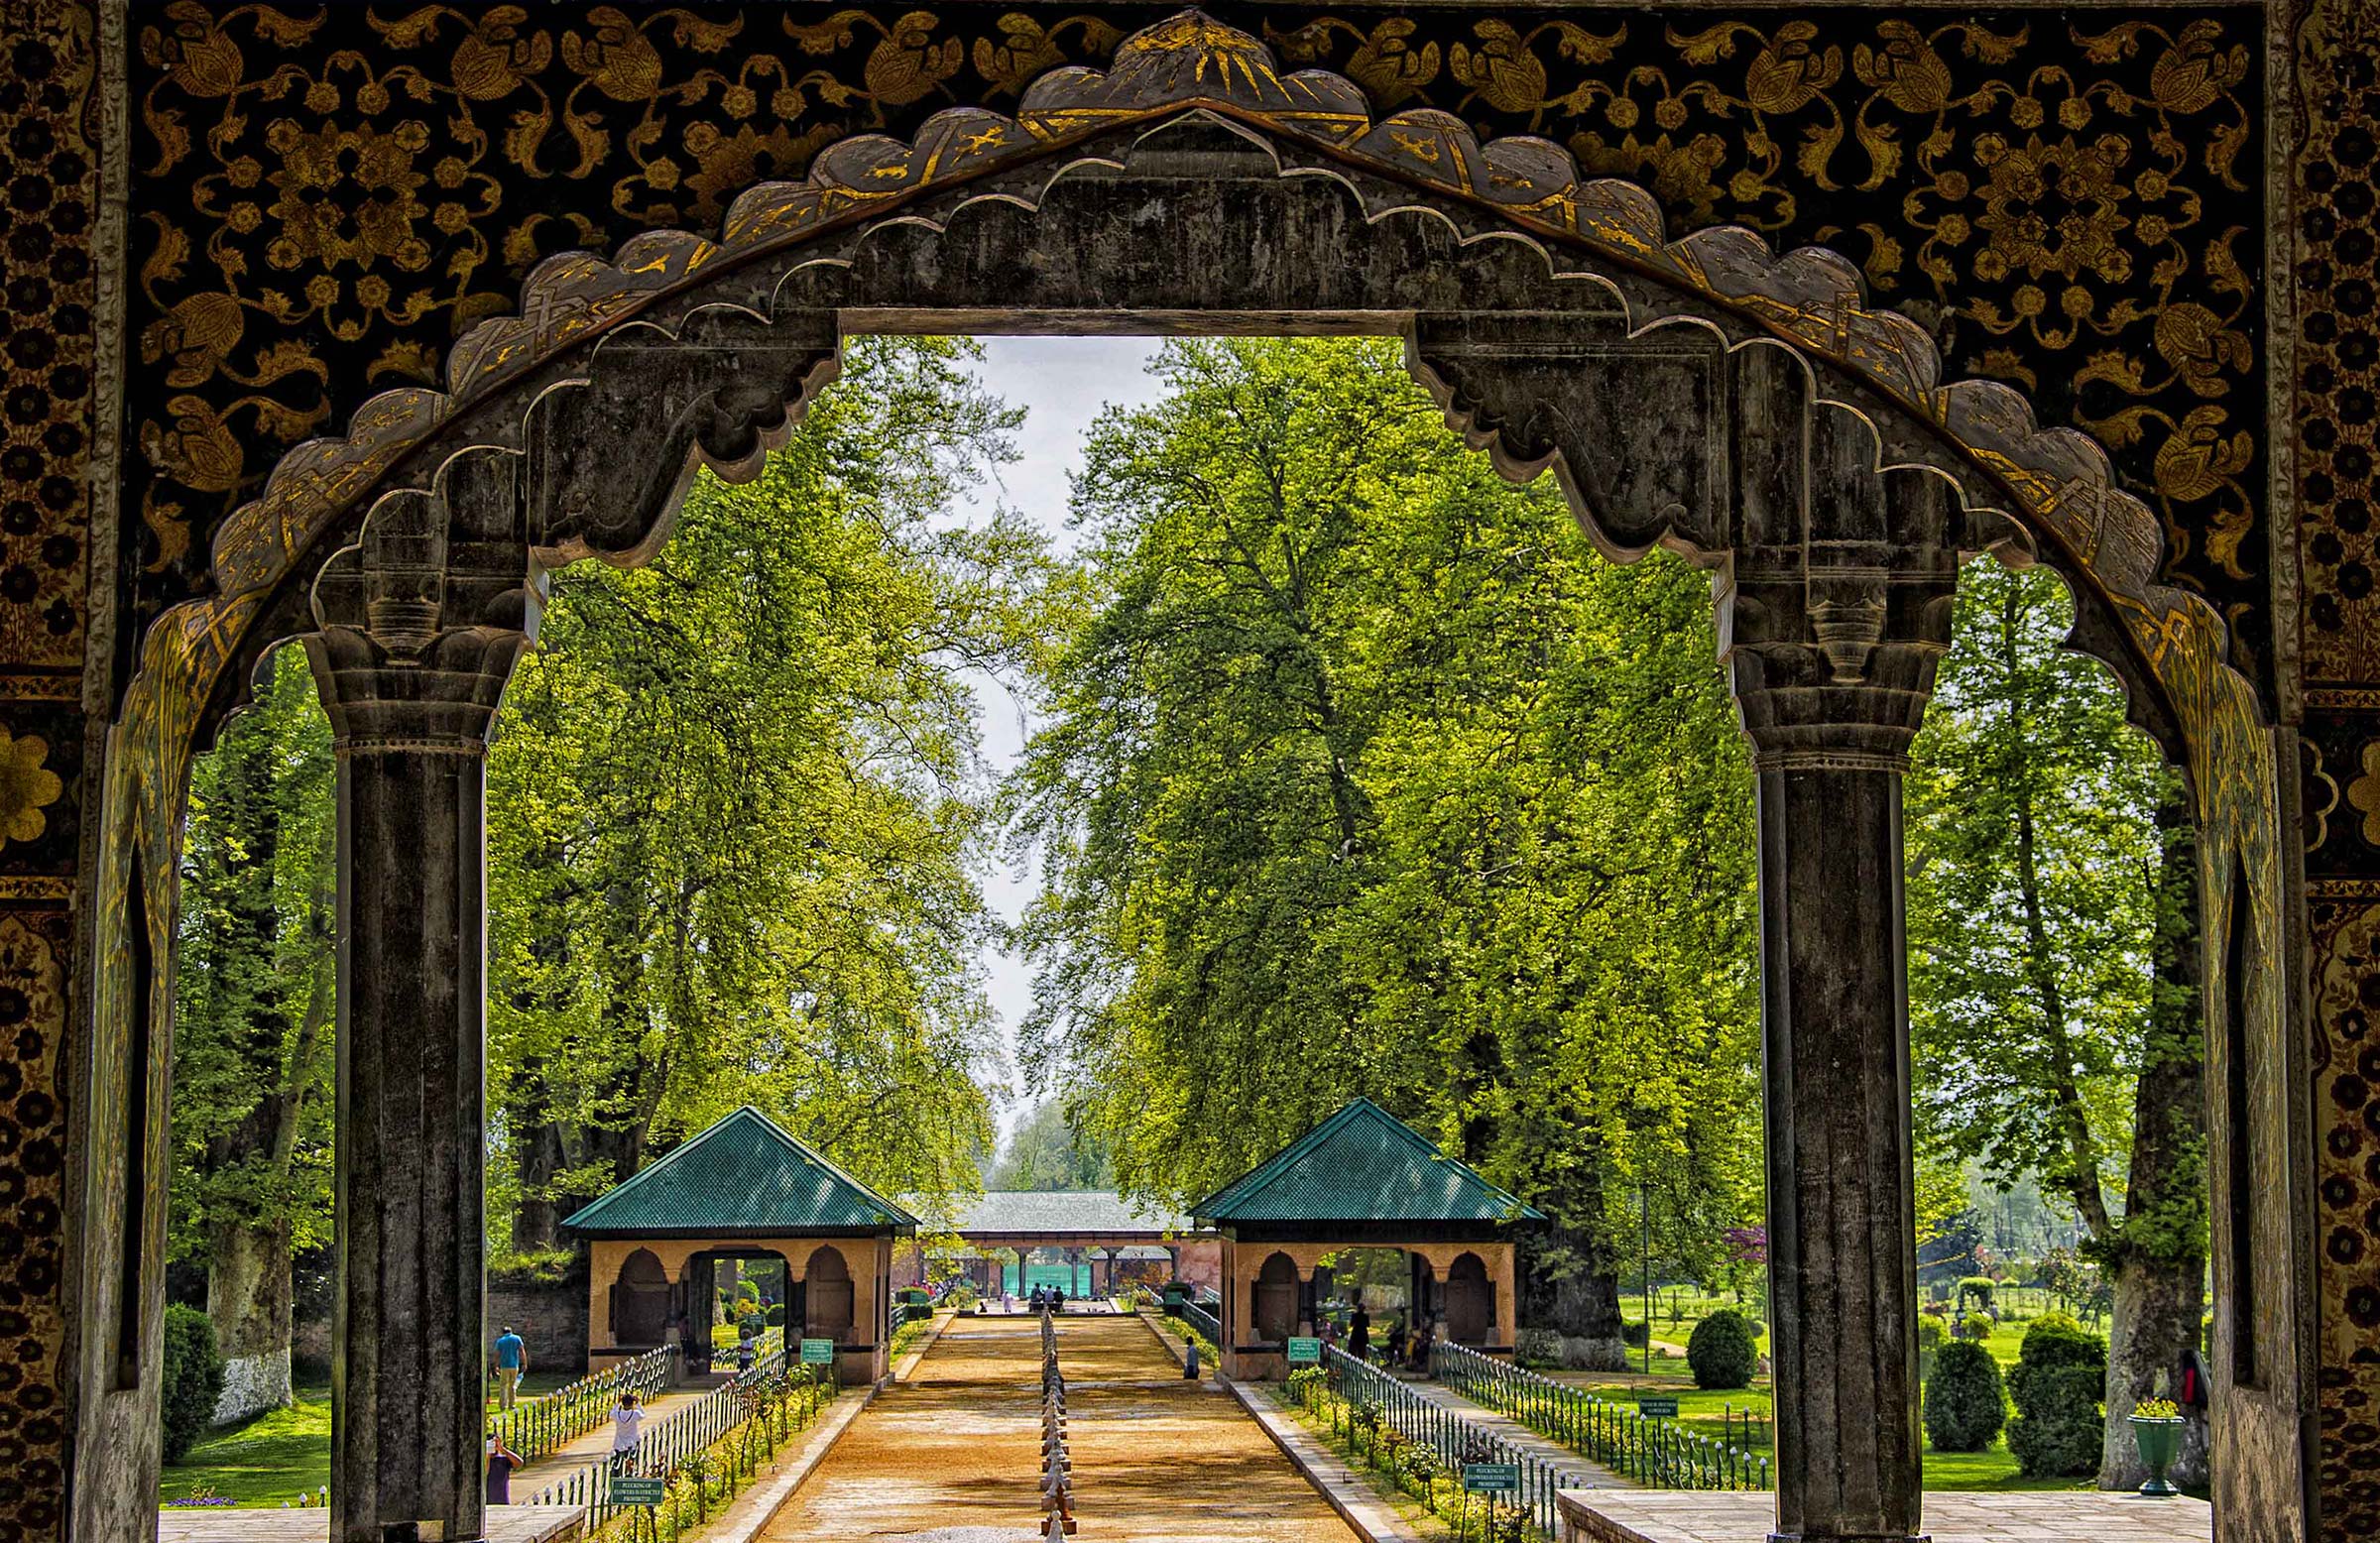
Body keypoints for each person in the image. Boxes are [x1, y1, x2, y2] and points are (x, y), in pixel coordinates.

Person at [492, 1325, 527, 1410]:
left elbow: (497, 1354)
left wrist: (496, 1366)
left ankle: (503, 1405)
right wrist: (524, 1363)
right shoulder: (517, 1338)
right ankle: (512, 1405)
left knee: (503, 1386)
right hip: (514, 1365)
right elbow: (522, 1351)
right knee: (512, 1385)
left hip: (504, 1366)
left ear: (503, 1333)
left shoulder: (500, 1341)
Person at [609, 1389, 645, 1473]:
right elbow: (643, 1415)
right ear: (632, 1403)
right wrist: (638, 1404)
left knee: (617, 1465)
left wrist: (617, 1404)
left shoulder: (617, 1414)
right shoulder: (635, 1414)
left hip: (619, 1443)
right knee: (630, 1465)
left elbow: (611, 1413)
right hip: (631, 1442)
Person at [484, 1433, 523, 1505]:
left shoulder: (503, 1460)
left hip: (502, 1500)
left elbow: (519, 1463)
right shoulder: (481, 1461)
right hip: (484, 1501)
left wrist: (503, 1449)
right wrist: (487, 1455)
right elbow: (485, 1472)